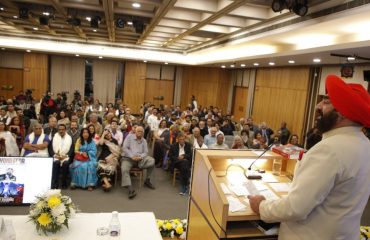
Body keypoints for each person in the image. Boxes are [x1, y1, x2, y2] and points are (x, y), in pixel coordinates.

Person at [248, 75, 370, 240]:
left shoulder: (329, 149)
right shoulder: (365, 145)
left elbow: (296, 208)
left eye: (326, 101)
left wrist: (261, 206)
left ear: (343, 112)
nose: (318, 105)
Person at [121, 126, 155, 199]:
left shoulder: (144, 140)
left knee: (152, 161)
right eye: (138, 131)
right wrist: (132, 156)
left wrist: (140, 157)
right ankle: (130, 189)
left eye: (141, 131)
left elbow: (146, 152)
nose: (140, 133)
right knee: (124, 169)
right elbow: (125, 148)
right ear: (135, 132)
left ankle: (147, 180)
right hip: (128, 158)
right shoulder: (129, 137)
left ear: (143, 133)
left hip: (139, 159)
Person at [49, 124, 73, 189]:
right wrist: (55, 155)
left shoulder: (69, 138)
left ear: (65, 130)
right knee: (56, 163)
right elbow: (50, 148)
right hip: (56, 156)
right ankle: (55, 183)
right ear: (58, 130)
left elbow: (71, 149)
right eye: (59, 129)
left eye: (62, 129)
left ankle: (64, 183)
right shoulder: (54, 137)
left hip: (66, 156)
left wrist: (66, 155)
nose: (61, 131)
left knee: (65, 163)